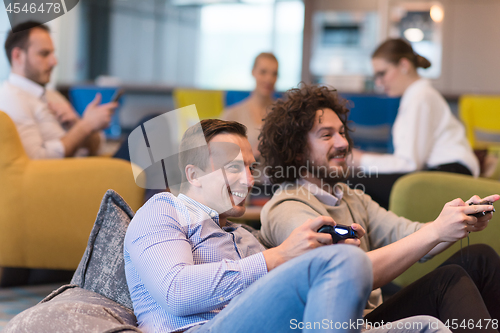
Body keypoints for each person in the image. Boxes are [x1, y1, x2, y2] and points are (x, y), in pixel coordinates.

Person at [124, 119, 450, 333]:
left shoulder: (243, 237)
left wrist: (316, 261)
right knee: (344, 261)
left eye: (251, 168)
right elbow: (177, 291)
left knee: (427, 327)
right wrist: (279, 257)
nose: (249, 180)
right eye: (233, 168)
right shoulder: (163, 211)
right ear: (193, 175)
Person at [258, 84, 500, 333]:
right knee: (447, 282)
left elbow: (412, 235)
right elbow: (345, 277)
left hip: (375, 314)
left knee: (480, 258)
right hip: (345, 324)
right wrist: (437, 230)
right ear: (297, 152)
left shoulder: (351, 197)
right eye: (327, 135)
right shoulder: (286, 208)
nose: (343, 143)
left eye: (342, 132)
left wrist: (458, 220)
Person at [348, 38, 479, 209]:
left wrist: (360, 159)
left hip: (452, 174)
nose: (379, 83)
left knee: (354, 185)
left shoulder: (420, 97)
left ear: (404, 65)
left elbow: (408, 164)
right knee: (356, 183)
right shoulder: (416, 96)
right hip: (442, 172)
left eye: (382, 73)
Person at [0, 21, 117, 159]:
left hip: (90, 168)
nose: (54, 62)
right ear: (17, 56)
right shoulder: (10, 98)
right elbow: (36, 160)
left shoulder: (51, 95)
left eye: (52, 54)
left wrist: (78, 123)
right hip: (70, 177)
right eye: (44, 54)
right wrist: (85, 126)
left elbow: (98, 147)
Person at [221, 52, 278, 160]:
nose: (269, 79)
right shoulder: (232, 115)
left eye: (274, 74)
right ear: (253, 72)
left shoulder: (284, 115)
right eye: (263, 72)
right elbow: (220, 156)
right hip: (242, 175)